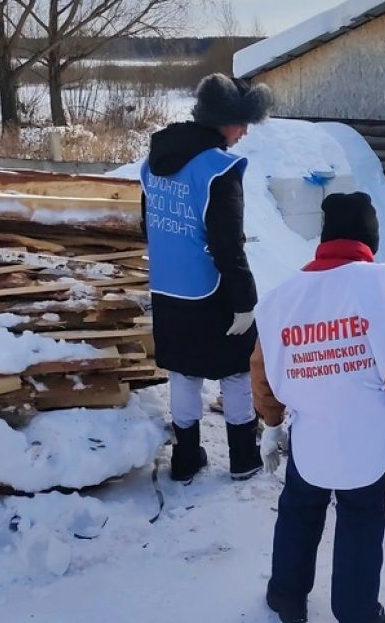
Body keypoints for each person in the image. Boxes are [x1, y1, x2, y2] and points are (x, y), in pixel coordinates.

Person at [252, 192, 385, 623]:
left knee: (298, 513)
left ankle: (287, 597)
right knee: (361, 521)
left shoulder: (283, 297)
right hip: (365, 442)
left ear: (324, 236)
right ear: (370, 239)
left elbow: (263, 367)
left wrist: (272, 424)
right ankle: (356, 611)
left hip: (310, 439)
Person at [141, 73, 271, 483]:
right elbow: (227, 244)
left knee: (183, 372)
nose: (244, 132)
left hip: (166, 286)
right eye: (241, 122)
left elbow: (148, 227)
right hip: (210, 290)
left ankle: (186, 459)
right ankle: (243, 458)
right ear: (222, 120)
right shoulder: (219, 169)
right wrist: (244, 301)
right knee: (234, 371)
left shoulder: (153, 164)